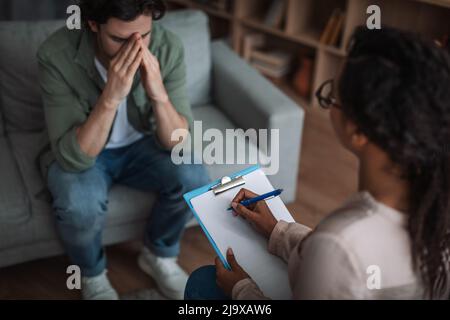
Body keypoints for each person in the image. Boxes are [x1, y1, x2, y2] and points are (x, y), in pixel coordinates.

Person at [185, 26, 450, 300]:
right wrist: (279, 231)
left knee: (203, 284)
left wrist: (241, 290)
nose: (329, 99)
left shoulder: (339, 243)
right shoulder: (434, 206)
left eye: (332, 94)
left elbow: (336, 260)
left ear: (358, 131)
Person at [37, 0, 209, 300]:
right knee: (80, 204)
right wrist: (111, 96)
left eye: (144, 36)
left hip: (142, 144)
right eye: (119, 39)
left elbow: (179, 142)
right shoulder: (56, 55)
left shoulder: (167, 46)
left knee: (194, 175)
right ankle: (91, 274)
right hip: (85, 150)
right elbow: (74, 157)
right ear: (93, 25)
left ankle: (159, 255)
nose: (135, 49)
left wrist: (158, 93)